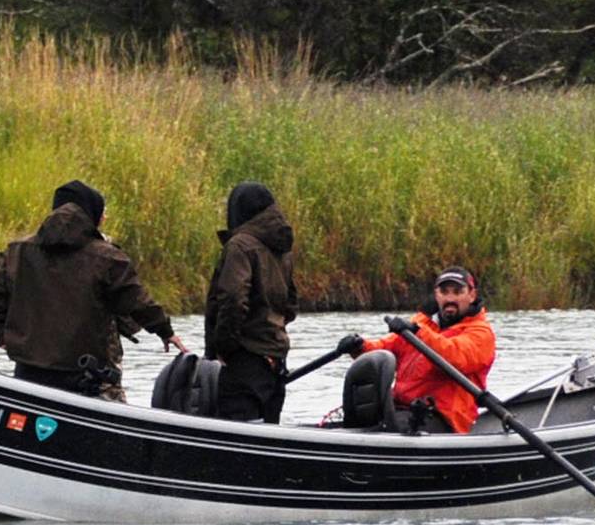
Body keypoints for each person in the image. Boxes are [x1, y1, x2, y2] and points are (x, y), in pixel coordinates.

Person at [0, 179, 183, 402]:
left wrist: (3, 337)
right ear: (91, 214)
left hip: (28, 373)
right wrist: (165, 330)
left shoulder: (15, 252)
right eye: (102, 212)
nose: (104, 218)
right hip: (88, 376)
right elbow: (135, 299)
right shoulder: (107, 257)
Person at [336, 266, 496, 434]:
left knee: (389, 427)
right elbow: (385, 348)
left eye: (457, 292)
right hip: (402, 409)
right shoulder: (422, 323)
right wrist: (359, 347)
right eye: (444, 292)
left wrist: (417, 332)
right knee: (362, 416)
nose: (450, 298)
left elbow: (455, 356)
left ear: (472, 295)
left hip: (443, 418)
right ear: (436, 295)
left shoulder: (481, 333)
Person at [202, 181, 298, 423]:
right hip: (275, 362)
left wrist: (224, 347)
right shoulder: (282, 249)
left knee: (234, 440)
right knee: (267, 440)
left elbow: (233, 300)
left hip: (244, 362)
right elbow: (291, 305)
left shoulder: (240, 246)